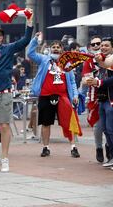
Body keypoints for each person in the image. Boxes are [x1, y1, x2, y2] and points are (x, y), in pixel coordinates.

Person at [0, 9, 33, 173]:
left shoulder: (8, 49)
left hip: (4, 94)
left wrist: (29, 22)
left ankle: (5, 158)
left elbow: (25, 40)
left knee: (4, 126)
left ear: (1, 38)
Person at [28, 33, 81, 159]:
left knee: (69, 121)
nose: (56, 48)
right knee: (46, 123)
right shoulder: (43, 59)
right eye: (54, 47)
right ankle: (46, 147)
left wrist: (75, 95)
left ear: (62, 49)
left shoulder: (67, 63)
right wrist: (35, 40)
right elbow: (30, 53)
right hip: (46, 95)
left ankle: (73, 147)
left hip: (63, 96)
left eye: (58, 47)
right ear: (50, 49)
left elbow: (72, 81)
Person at [86, 37, 113, 168]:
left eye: (105, 45)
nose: (101, 47)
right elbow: (86, 78)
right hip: (101, 99)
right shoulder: (97, 59)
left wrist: (99, 82)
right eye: (99, 45)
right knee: (105, 130)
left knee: (110, 129)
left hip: (110, 99)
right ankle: (110, 157)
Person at [81, 35, 107, 163]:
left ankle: (109, 147)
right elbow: (86, 80)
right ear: (90, 47)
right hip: (94, 96)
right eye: (94, 44)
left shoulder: (109, 58)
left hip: (109, 94)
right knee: (98, 126)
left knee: (109, 125)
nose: (97, 46)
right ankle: (98, 148)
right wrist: (88, 80)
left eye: (99, 43)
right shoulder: (88, 62)